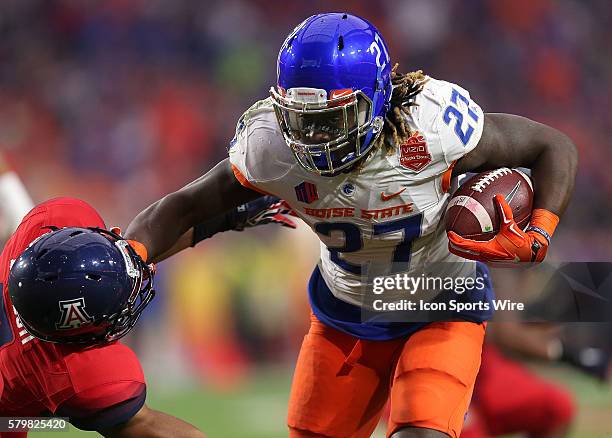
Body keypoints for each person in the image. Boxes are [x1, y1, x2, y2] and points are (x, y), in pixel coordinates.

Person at [125, 13, 578, 438]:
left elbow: (553, 146)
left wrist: (539, 232)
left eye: (329, 120)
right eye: (299, 120)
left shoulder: (432, 128)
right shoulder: (269, 149)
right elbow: (184, 208)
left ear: (378, 102)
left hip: (444, 302)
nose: (311, 139)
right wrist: (128, 258)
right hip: (346, 312)